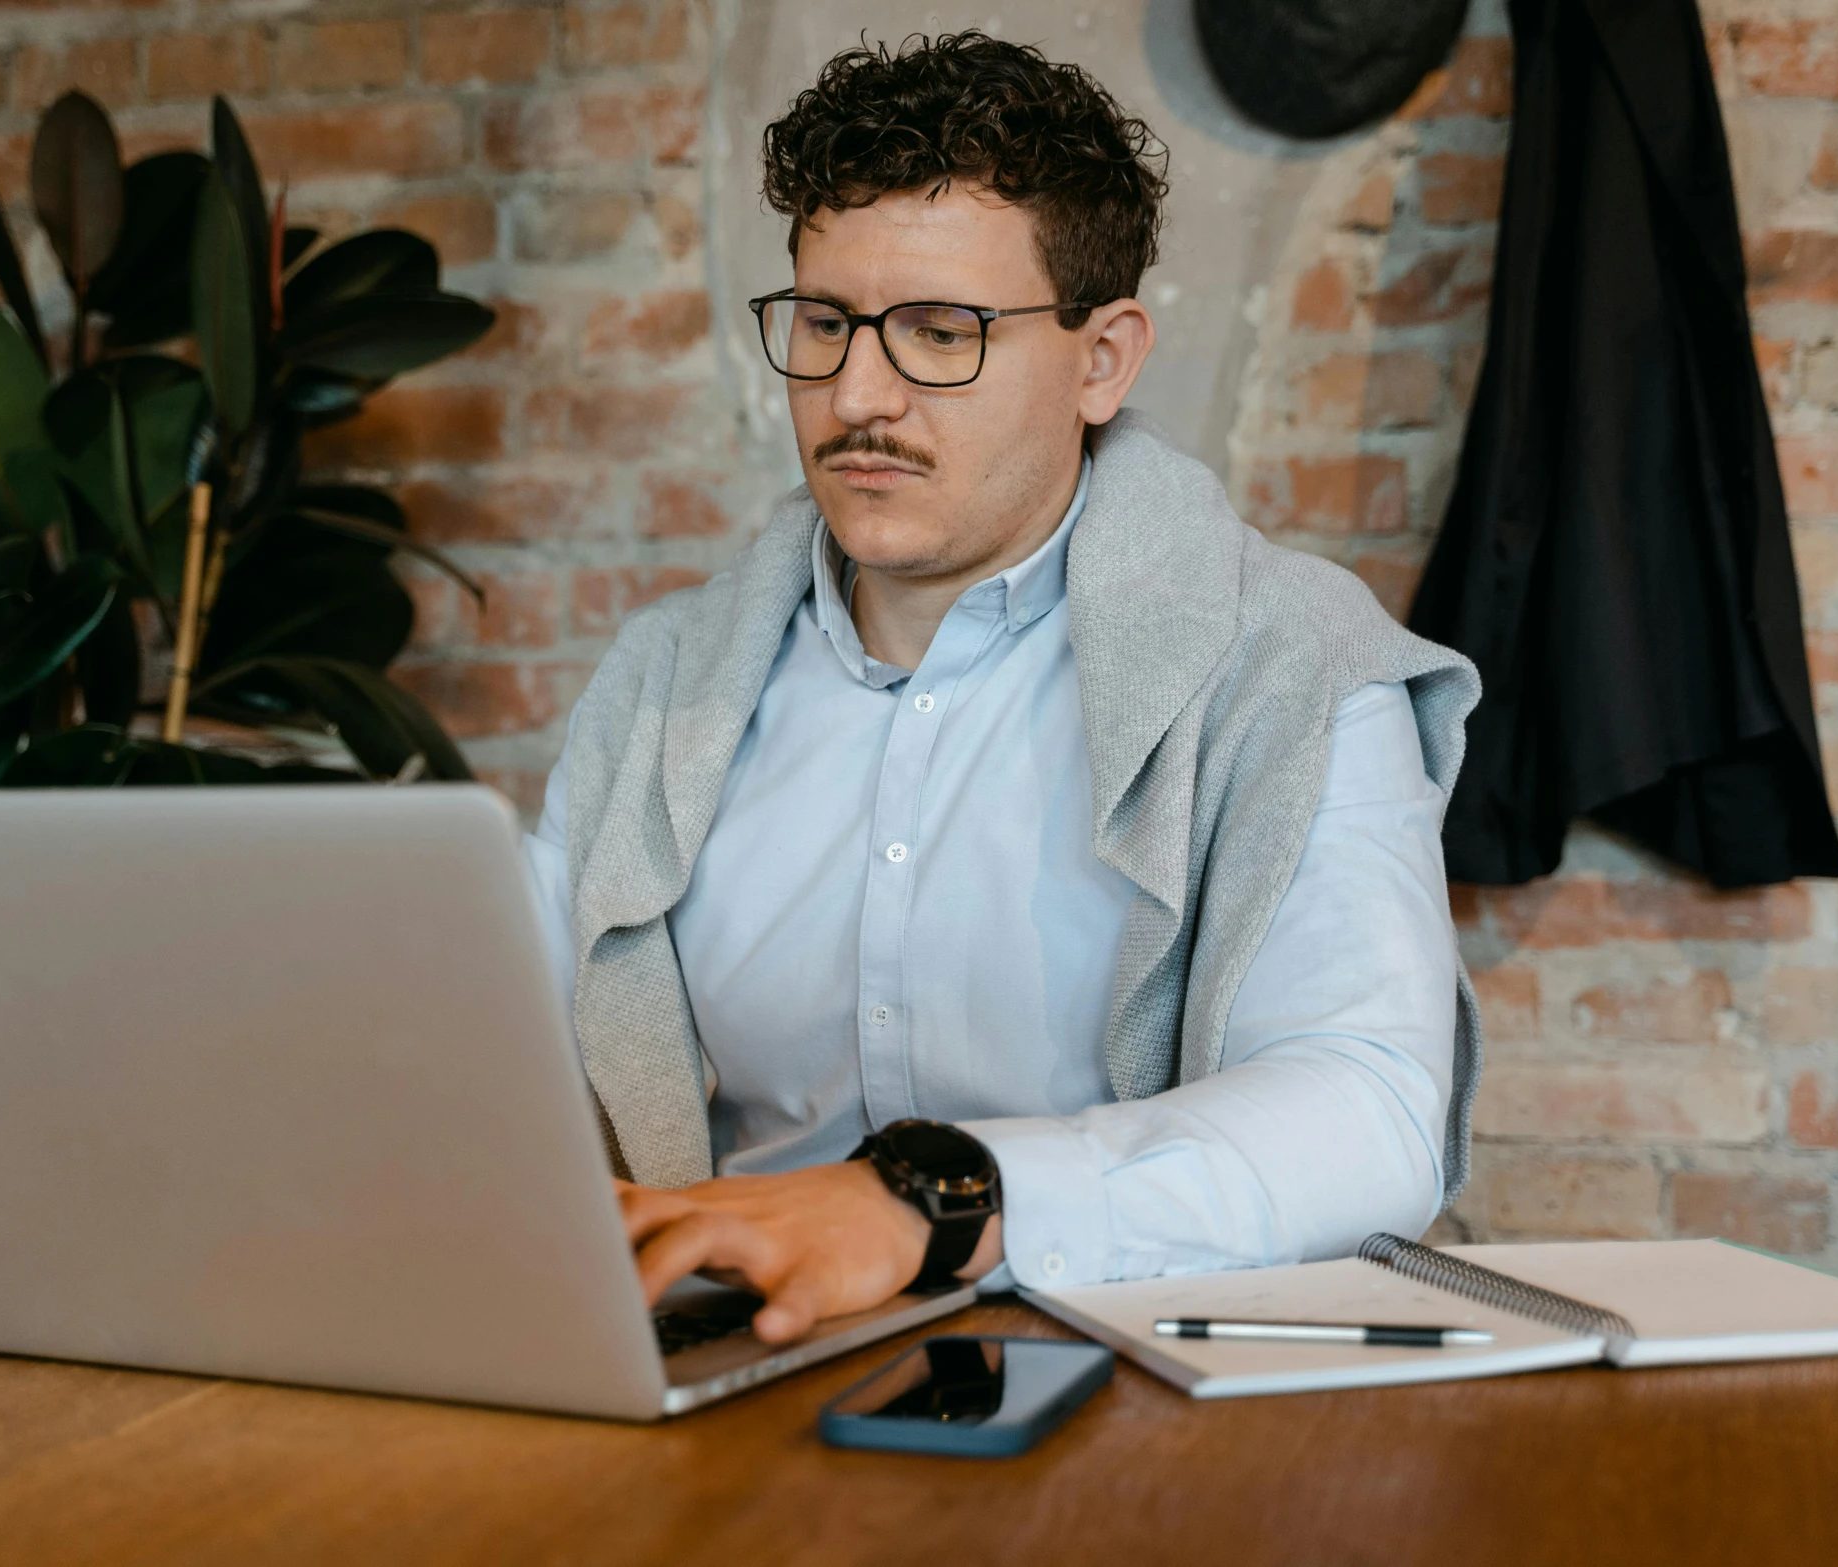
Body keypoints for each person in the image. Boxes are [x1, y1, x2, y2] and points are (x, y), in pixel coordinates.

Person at [522, 32, 1483, 1346]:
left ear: (1104, 359)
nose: (857, 394)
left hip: (1134, 1385)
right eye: (823, 324)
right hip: (739, 1378)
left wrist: (938, 1203)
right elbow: (498, 1054)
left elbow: (1368, 1108)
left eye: (939, 332)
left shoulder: (1291, 663)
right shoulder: (661, 685)